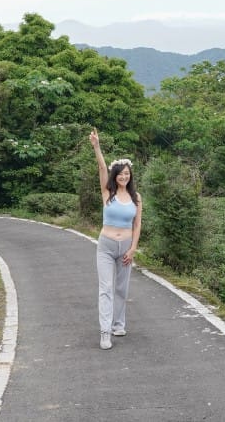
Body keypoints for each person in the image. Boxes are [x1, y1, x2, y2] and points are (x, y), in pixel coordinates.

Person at [89, 128, 142, 350]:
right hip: (106, 246)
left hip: (125, 247)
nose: (124, 176)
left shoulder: (136, 197)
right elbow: (102, 167)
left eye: (127, 173)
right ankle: (104, 331)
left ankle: (119, 324)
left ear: (130, 175)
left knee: (122, 288)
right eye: (120, 173)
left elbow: (137, 224)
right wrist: (97, 146)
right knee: (106, 289)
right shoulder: (107, 192)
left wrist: (133, 249)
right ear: (115, 175)